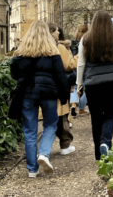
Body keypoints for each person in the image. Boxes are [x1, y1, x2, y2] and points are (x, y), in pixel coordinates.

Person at [10, 20, 69, 177]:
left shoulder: (21, 54)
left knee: (30, 130)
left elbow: (14, 74)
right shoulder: (53, 52)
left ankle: (32, 169)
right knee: (51, 123)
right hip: (48, 94)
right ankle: (43, 153)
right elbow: (61, 77)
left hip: (27, 94)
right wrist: (64, 97)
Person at [77, 11, 113, 160]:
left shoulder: (86, 39)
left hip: (93, 83)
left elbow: (81, 63)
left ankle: (99, 155)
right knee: (110, 115)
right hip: (112, 82)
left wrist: (79, 84)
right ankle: (105, 142)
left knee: (96, 118)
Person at [48, 23, 78, 155]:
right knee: (61, 117)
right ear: (51, 32)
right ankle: (65, 145)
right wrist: (78, 57)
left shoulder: (40, 47)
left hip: (44, 87)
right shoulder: (58, 47)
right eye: (55, 31)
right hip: (59, 85)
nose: (58, 33)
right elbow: (68, 65)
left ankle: (43, 150)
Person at [69, 25, 89, 116]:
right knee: (82, 86)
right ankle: (81, 109)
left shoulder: (73, 41)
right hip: (82, 65)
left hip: (74, 64)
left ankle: (73, 105)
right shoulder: (85, 41)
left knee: (75, 86)